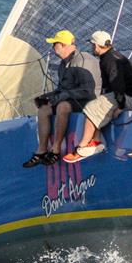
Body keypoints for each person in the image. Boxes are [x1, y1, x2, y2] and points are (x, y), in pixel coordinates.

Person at [23, 30, 101, 168]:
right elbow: (62, 88)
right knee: (44, 109)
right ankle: (41, 150)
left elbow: (87, 90)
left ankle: (56, 149)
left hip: (89, 101)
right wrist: (47, 97)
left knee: (62, 106)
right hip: (72, 99)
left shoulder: (83, 60)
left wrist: (61, 97)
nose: (53, 47)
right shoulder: (63, 64)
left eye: (55, 44)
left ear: (64, 45)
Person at [62, 30, 132, 163]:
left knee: (92, 107)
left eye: (93, 45)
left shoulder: (110, 60)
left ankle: (82, 147)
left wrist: (121, 106)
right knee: (97, 104)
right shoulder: (111, 56)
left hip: (130, 98)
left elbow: (118, 85)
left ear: (96, 45)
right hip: (125, 95)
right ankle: (96, 141)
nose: (92, 48)